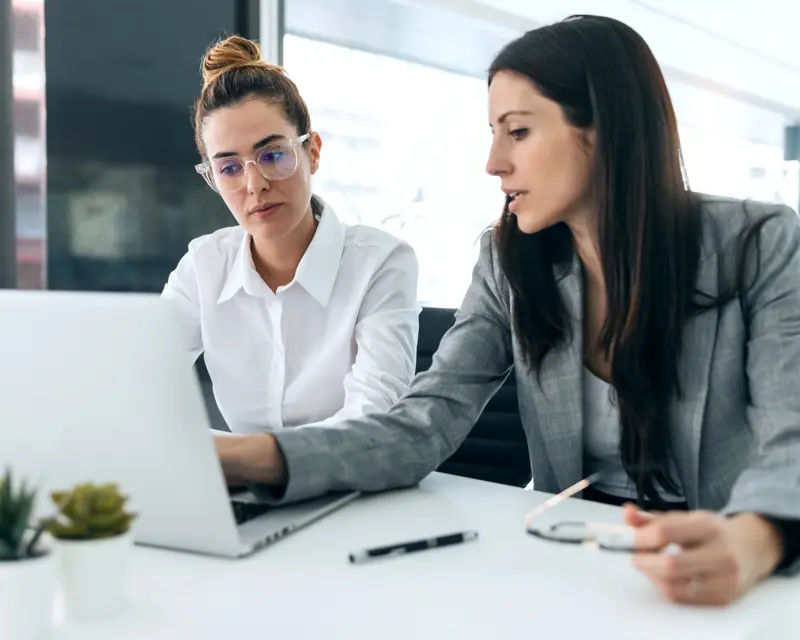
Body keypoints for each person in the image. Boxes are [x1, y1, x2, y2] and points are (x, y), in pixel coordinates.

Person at [211, 16, 800, 604]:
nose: (493, 162)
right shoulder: (510, 262)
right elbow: (426, 421)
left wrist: (754, 540)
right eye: (493, 132)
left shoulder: (759, 243)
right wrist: (244, 457)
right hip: (572, 565)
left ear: (603, 130)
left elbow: (791, 437)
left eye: (516, 132)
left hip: (733, 571)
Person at [161, 36, 420, 440]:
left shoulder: (381, 265)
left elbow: (374, 419)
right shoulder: (203, 267)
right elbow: (137, 381)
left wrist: (241, 459)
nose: (255, 185)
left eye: (273, 155)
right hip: (246, 491)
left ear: (312, 152)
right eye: (229, 168)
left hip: (354, 491)